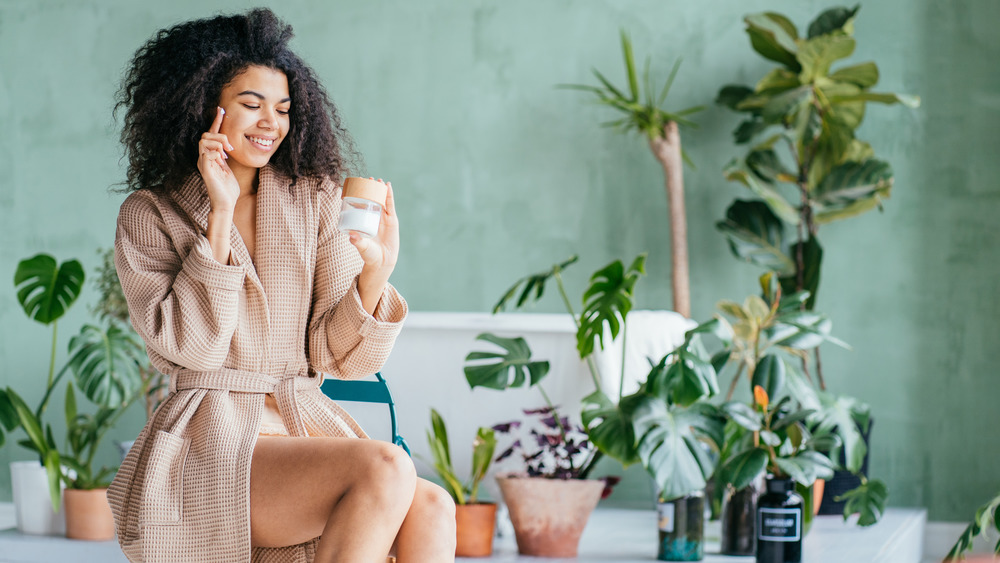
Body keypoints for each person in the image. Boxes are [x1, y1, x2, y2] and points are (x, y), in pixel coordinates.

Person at [108, 8, 456, 563]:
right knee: (386, 466)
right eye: (251, 104)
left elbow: (342, 360)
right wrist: (218, 214)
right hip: (210, 440)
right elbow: (191, 349)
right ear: (202, 106)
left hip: (300, 422)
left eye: (284, 108)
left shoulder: (313, 201)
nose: (271, 121)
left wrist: (376, 273)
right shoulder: (151, 214)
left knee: (434, 507)